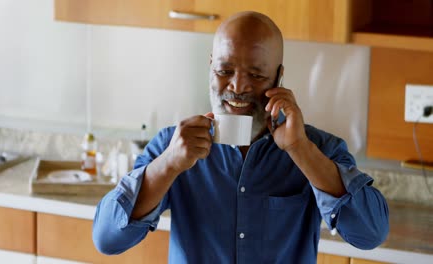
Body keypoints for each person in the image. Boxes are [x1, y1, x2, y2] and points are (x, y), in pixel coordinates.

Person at [92, 11, 389, 263]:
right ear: (210, 67)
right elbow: (107, 239)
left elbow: (370, 234)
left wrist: (300, 150)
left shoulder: (319, 148)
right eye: (224, 70)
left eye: (257, 75)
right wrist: (168, 164)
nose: (238, 86)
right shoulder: (174, 145)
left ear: (279, 77)